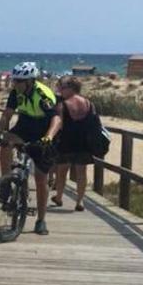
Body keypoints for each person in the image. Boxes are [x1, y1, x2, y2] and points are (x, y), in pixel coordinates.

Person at [0, 62, 61, 236]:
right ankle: (6, 184)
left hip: (44, 129)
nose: (15, 84)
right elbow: (7, 115)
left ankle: (41, 220)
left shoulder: (42, 95)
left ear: (30, 81)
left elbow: (56, 120)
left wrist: (48, 137)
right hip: (25, 125)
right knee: (6, 141)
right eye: (14, 80)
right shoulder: (16, 93)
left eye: (19, 81)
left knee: (41, 178)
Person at [52, 76, 92, 212]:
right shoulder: (88, 103)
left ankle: (58, 197)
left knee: (62, 171)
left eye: (62, 88)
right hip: (84, 141)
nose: (60, 91)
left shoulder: (63, 104)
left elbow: (60, 125)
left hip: (66, 141)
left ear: (70, 89)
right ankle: (80, 201)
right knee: (82, 172)